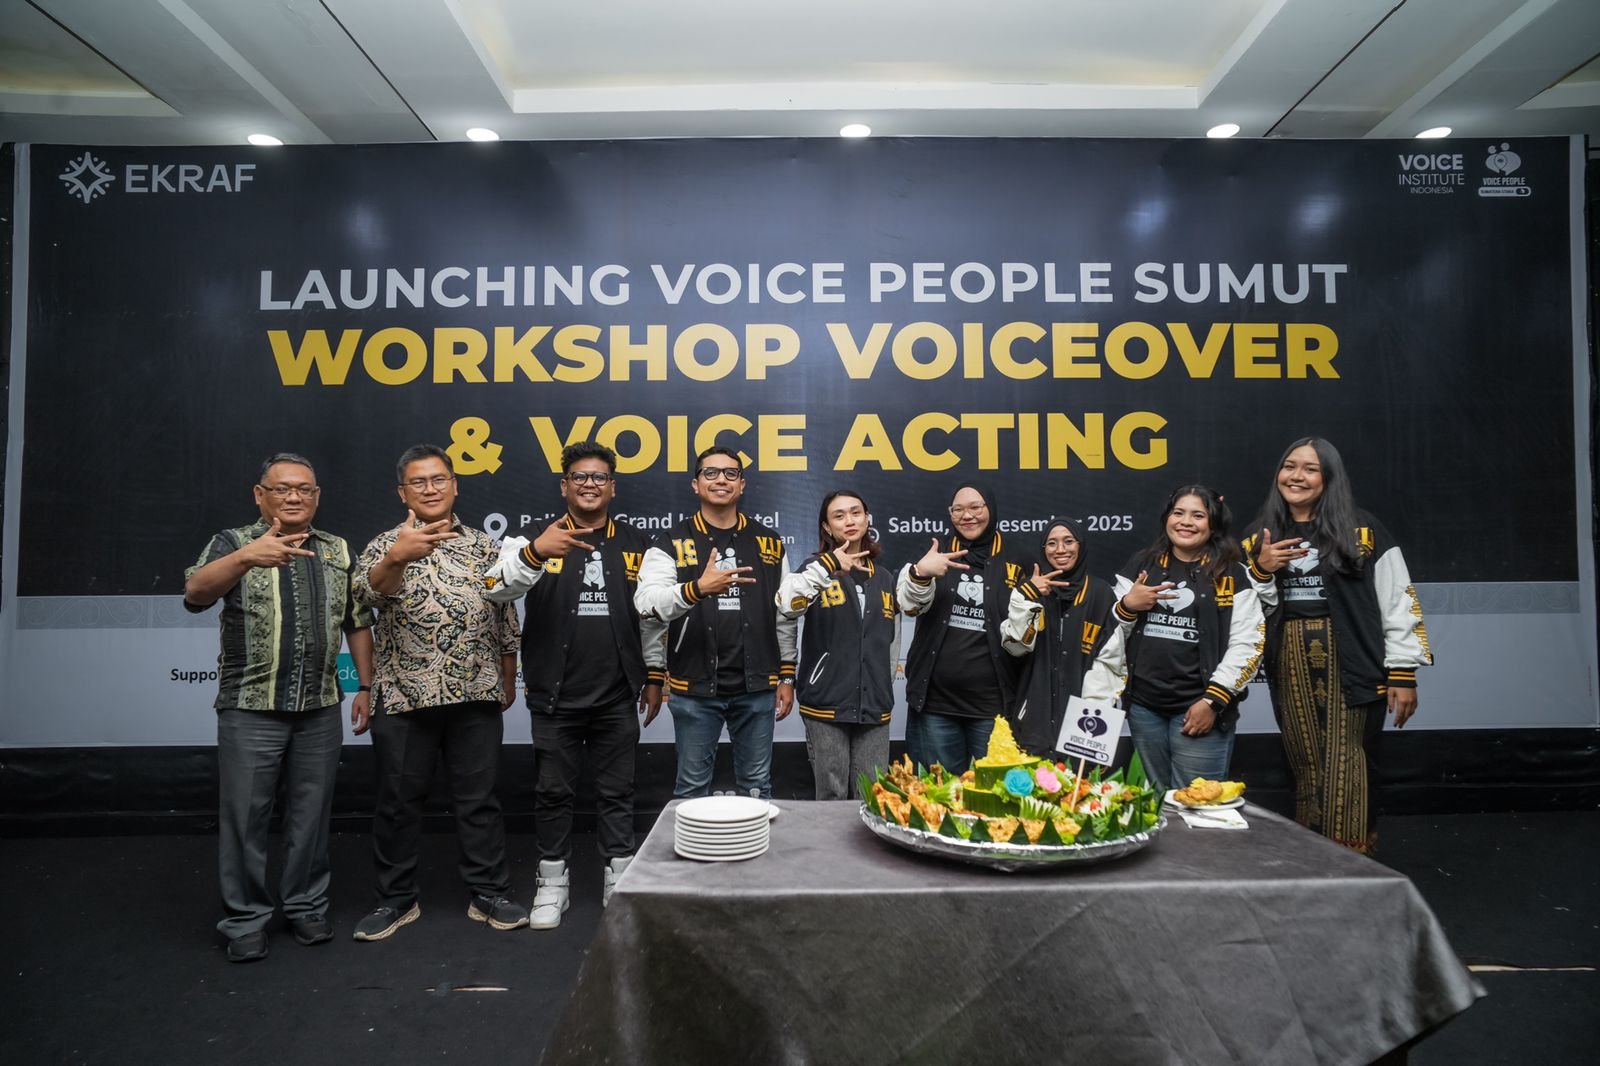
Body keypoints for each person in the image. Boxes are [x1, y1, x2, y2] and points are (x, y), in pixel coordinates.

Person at [183, 452, 374, 963]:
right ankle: (245, 919)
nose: (294, 497)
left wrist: (365, 685)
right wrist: (247, 557)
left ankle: (306, 906)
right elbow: (195, 593)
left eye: (304, 489)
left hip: (319, 707)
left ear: (317, 496)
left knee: (311, 816)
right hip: (251, 706)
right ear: (260, 494)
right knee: (246, 818)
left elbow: (357, 620)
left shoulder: (337, 549)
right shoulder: (233, 543)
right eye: (282, 488)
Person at [483, 442, 664, 927]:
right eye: (580, 477)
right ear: (564, 485)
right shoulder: (531, 538)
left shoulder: (637, 543)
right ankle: (552, 883)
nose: (589, 484)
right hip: (554, 695)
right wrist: (535, 552)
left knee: (618, 792)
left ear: (612, 487)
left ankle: (619, 878)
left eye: (599, 477)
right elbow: (496, 588)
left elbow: (651, 618)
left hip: (617, 693)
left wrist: (653, 673)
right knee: (552, 793)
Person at [350, 445, 526, 941]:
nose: (430, 489)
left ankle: (490, 893)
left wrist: (507, 676)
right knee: (397, 802)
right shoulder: (384, 544)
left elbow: (505, 615)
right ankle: (395, 900)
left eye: (438, 479)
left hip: (475, 690)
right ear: (402, 492)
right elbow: (366, 596)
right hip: (403, 695)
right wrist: (397, 557)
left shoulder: (485, 546)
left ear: (454, 485)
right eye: (418, 482)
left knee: (479, 800)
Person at [1244, 437, 1433, 854]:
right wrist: (1260, 569)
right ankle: (1313, 854)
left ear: (1329, 478)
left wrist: (1403, 671)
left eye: (1310, 469)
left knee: (1345, 757)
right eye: (1289, 466)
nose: (1297, 476)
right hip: (1289, 654)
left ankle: (1350, 858)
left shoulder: (1363, 529)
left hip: (1353, 654)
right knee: (1305, 758)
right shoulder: (1258, 536)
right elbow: (1247, 614)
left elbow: (1397, 599)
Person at [635, 445, 797, 799]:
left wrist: (787, 674)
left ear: (742, 484)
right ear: (696, 484)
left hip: (757, 688)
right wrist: (696, 589)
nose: (721, 479)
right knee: (691, 791)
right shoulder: (670, 541)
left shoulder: (769, 542)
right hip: (694, 688)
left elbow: (784, 614)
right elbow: (647, 605)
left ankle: (756, 839)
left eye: (730, 473)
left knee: (757, 789)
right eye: (710, 472)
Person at [1084, 485, 1266, 794]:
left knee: (1198, 805)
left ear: (1213, 523)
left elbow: (1249, 643)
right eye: (1178, 513)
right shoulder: (1143, 565)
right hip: (1145, 709)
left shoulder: (1232, 574)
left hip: (1200, 708)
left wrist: (1213, 700)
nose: (1186, 522)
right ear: (1167, 518)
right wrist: (1127, 606)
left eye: (1198, 515)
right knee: (1155, 803)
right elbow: (1106, 634)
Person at [897, 483, 1032, 773]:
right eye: (958, 509)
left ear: (990, 509)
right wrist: (921, 574)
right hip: (935, 705)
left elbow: (1027, 634)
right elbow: (909, 606)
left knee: (995, 792)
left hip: (994, 707)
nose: (967, 516)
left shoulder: (1017, 557)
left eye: (975, 507)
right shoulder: (933, 551)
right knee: (936, 791)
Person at [776, 490, 898, 800]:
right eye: (839, 516)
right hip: (825, 704)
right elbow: (786, 604)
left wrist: (883, 684)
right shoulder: (814, 569)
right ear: (827, 527)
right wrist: (828, 564)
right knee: (831, 796)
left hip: (874, 707)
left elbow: (890, 641)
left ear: (867, 519)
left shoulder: (884, 577)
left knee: (873, 797)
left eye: (856, 513)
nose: (849, 521)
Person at [1000, 517, 1118, 756]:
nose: (1060, 549)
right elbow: (1015, 647)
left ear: (1081, 545)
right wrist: (1027, 597)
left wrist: (1097, 708)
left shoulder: (1101, 593)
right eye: (1052, 543)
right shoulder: (1028, 590)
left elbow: (1112, 661)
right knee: (1034, 778)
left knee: (1081, 779)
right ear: (1043, 549)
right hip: (1034, 719)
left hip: (1087, 721)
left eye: (1068, 541)